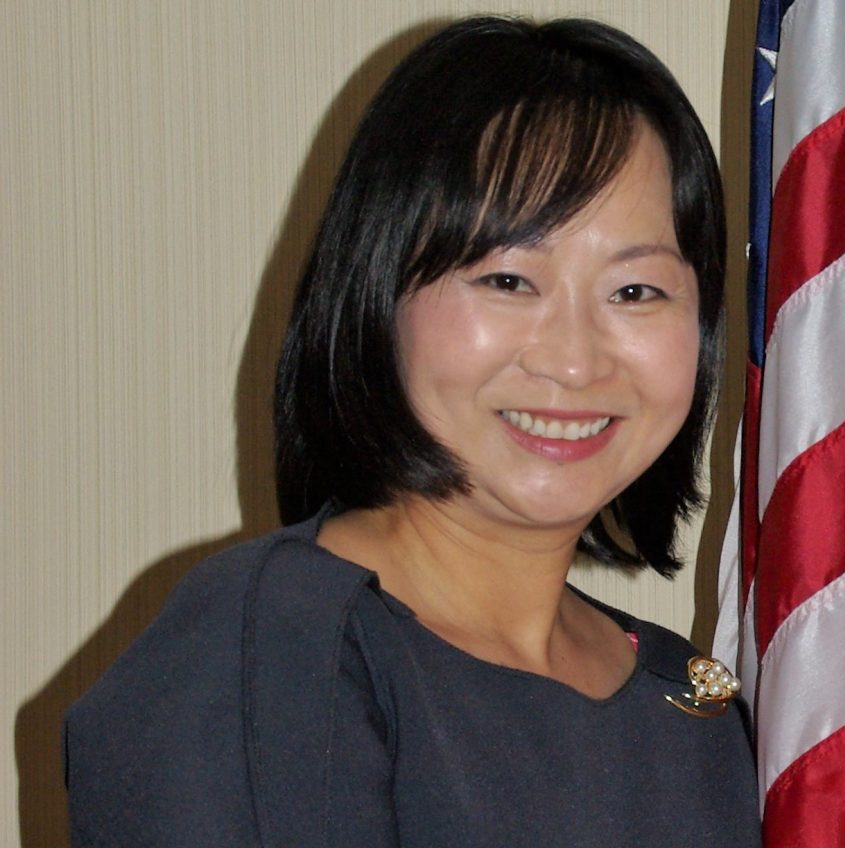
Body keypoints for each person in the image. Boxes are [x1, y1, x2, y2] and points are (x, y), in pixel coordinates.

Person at [64, 16, 761, 847]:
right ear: (377, 291)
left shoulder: (687, 699)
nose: (575, 361)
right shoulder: (274, 649)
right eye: (507, 279)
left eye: (636, 292)